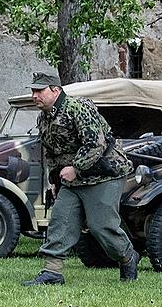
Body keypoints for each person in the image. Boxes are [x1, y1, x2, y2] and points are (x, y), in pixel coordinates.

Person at [22, 71, 139, 286]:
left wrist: (76, 168)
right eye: (33, 91)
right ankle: (52, 272)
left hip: (104, 174)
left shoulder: (78, 108)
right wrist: (55, 180)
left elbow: (96, 143)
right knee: (60, 221)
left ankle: (128, 257)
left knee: (101, 226)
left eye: (39, 90)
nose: (34, 95)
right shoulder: (45, 117)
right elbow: (51, 152)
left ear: (55, 90)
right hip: (72, 179)